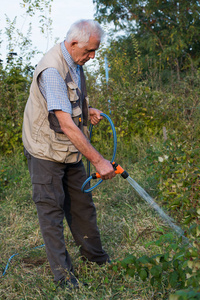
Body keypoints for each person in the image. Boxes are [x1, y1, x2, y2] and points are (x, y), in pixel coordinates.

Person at [22, 19, 116, 289]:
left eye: (95, 50)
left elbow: (68, 102)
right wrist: (98, 160)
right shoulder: (52, 70)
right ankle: (64, 277)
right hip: (46, 151)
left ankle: (97, 260)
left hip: (70, 150)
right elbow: (64, 123)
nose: (93, 56)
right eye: (89, 51)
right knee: (52, 214)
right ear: (74, 43)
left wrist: (88, 111)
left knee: (82, 206)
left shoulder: (75, 61)